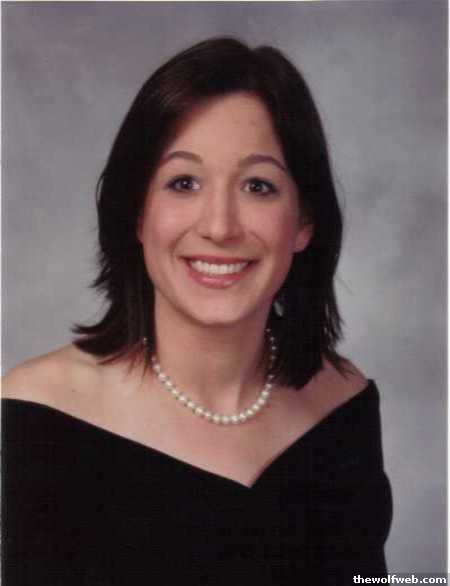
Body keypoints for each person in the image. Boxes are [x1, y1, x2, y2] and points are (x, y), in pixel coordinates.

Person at [2, 37, 392, 585]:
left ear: (305, 222)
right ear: (137, 214)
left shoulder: (342, 406)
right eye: (183, 183)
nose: (219, 226)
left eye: (258, 186)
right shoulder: (34, 418)